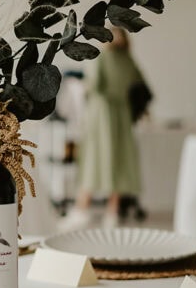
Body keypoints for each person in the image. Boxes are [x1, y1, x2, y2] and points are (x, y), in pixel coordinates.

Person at [60, 27, 148, 230]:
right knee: (118, 161)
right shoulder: (128, 59)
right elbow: (141, 83)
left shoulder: (101, 57)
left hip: (101, 115)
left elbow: (94, 85)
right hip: (122, 115)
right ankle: (112, 213)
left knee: (93, 159)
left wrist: (80, 87)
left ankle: (82, 210)